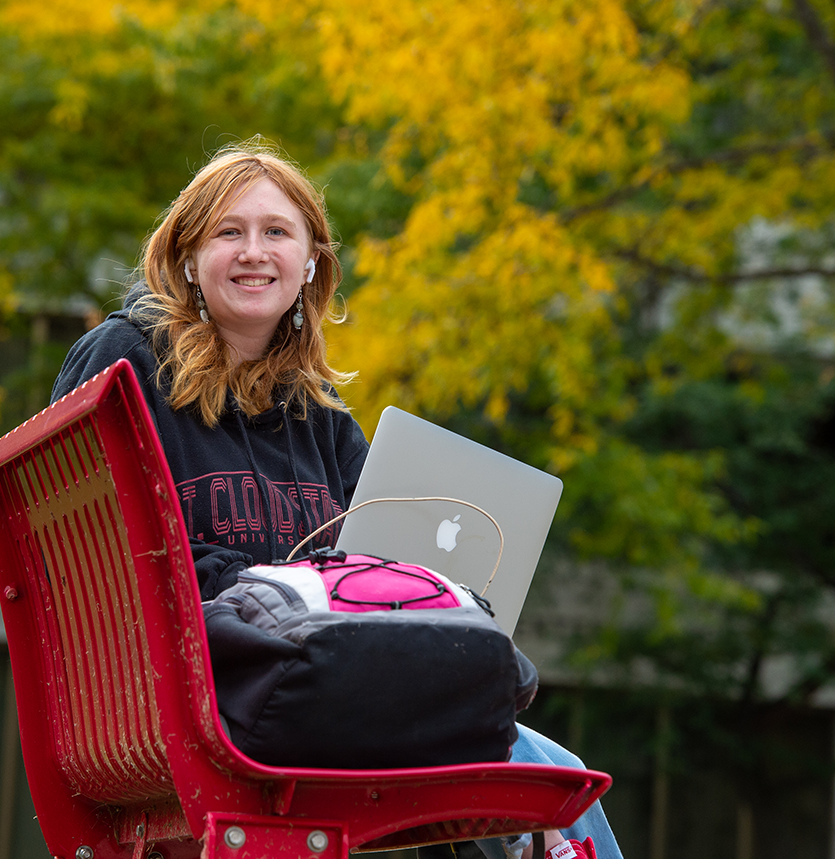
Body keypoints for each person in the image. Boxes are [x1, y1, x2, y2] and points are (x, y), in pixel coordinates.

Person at [51, 141, 622, 859]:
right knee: (521, 772)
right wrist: (285, 593)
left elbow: (377, 577)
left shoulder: (320, 417)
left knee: (554, 768)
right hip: (191, 700)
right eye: (229, 232)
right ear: (188, 257)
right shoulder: (123, 360)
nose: (254, 251)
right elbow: (109, 561)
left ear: (311, 262)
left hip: (314, 688)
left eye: (277, 233)